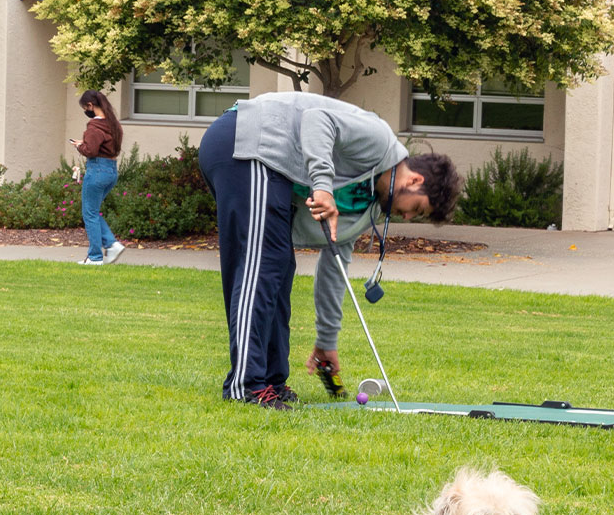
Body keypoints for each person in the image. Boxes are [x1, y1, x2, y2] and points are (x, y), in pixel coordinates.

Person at [197, 91, 462, 408]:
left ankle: (271, 381)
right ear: (415, 180)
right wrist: (322, 186)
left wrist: (326, 342)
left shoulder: (368, 207)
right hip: (247, 141)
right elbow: (316, 119)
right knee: (263, 264)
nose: (406, 217)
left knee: (279, 266)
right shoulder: (379, 140)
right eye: (416, 208)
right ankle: (246, 385)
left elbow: (334, 268)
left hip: (269, 166)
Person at [69, 90, 125, 265]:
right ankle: (111, 244)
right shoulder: (113, 124)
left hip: (97, 170)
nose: (86, 111)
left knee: (89, 213)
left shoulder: (95, 125)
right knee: (92, 211)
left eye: (85, 107)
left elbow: (91, 150)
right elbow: (105, 147)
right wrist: (84, 144)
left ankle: (96, 256)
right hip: (111, 171)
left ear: (90, 105)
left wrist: (80, 147)